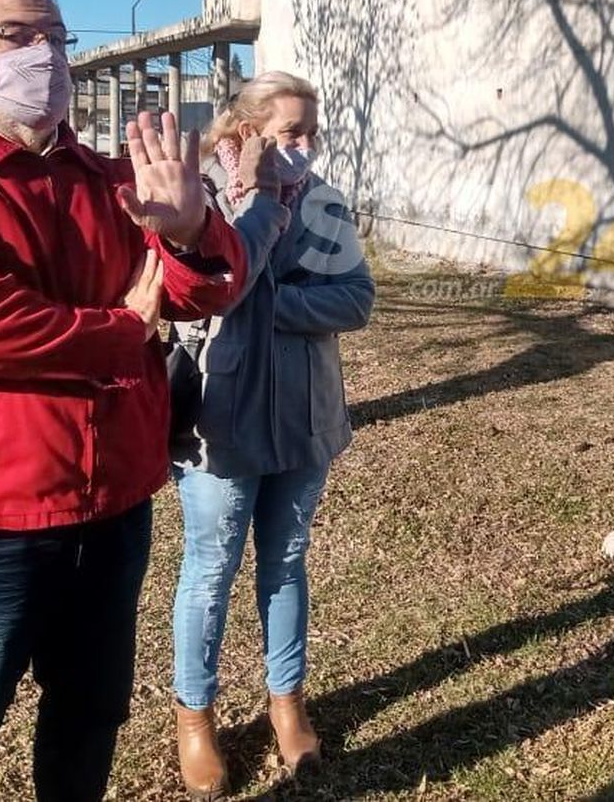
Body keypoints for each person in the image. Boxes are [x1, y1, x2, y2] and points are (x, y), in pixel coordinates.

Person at [0, 0, 252, 801]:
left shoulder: (109, 181)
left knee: (88, 720)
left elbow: (210, 284)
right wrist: (119, 330)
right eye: (18, 35)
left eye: (57, 36)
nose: (43, 54)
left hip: (111, 509)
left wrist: (189, 231)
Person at [167, 71, 374, 797]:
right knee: (211, 569)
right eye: (290, 133)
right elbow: (196, 292)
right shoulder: (198, 199)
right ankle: (196, 717)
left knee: (286, 560)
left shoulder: (322, 202)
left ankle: (286, 700)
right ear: (246, 130)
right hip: (217, 425)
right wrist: (249, 279)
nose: (304, 147)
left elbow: (356, 297)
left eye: (311, 133)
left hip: (306, 418)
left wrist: (271, 303)